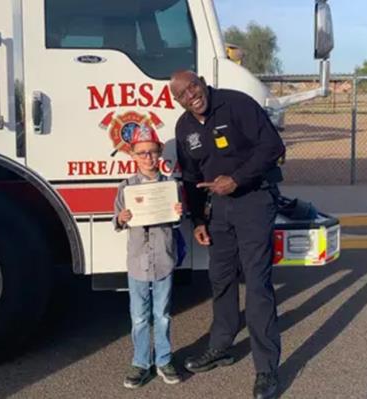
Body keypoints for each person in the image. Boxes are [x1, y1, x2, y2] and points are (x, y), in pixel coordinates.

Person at [170, 70, 285, 399]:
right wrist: (198, 220)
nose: (191, 94)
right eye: (182, 93)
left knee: (257, 283)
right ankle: (220, 346)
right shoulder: (185, 127)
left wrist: (237, 179)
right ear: (177, 101)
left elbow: (273, 146)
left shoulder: (237, 104)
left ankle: (266, 370)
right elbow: (191, 178)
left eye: (193, 85)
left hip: (254, 200)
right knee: (220, 278)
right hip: (218, 210)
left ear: (203, 82)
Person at [112, 125, 183, 389]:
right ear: (133, 155)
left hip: (163, 259)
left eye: (152, 152)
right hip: (137, 262)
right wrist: (121, 218)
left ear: (160, 153)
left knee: (162, 313)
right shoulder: (126, 187)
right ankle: (141, 362)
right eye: (142, 153)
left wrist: (177, 212)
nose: (148, 158)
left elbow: (176, 223)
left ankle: (163, 359)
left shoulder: (170, 185)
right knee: (139, 316)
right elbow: (116, 220)